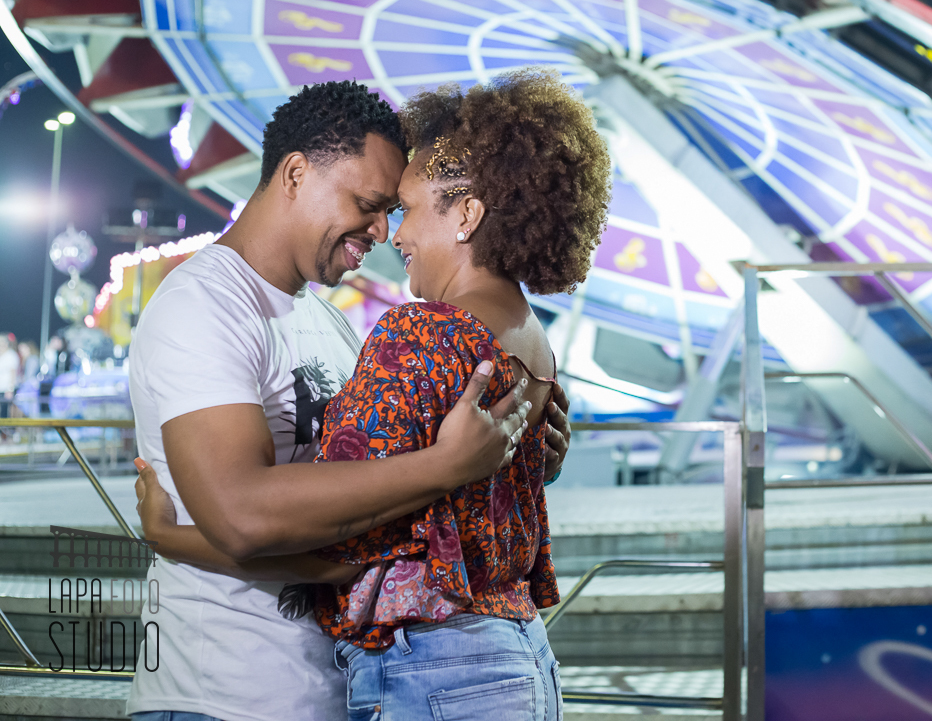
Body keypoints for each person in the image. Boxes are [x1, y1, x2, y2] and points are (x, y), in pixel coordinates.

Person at [124, 80, 572, 721]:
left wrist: (518, 453)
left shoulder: (340, 327)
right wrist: (451, 469)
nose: (385, 231)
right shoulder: (203, 306)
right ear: (296, 173)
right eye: (369, 203)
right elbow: (243, 518)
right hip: (225, 696)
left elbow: (397, 510)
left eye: (397, 208)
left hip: (343, 687)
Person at [0, 334, 19, 418]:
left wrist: (10, 389)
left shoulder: (11, 355)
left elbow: (13, 373)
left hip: (6, 389)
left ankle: (6, 430)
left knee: (5, 412)